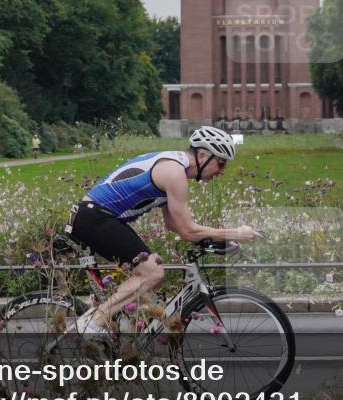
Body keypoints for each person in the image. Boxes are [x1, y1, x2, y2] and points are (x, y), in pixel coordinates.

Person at [64, 126, 261, 334]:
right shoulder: (174, 172)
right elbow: (187, 230)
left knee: (149, 281)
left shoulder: (174, 165)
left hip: (96, 216)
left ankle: (112, 327)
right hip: (95, 217)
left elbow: (174, 225)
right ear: (203, 155)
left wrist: (213, 239)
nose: (222, 171)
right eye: (220, 163)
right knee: (154, 273)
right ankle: (92, 325)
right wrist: (235, 233)